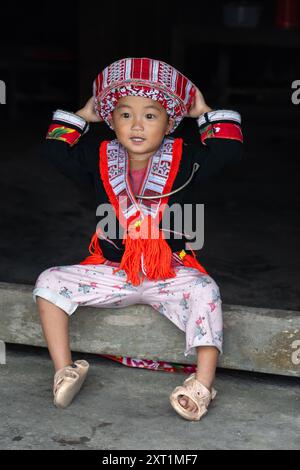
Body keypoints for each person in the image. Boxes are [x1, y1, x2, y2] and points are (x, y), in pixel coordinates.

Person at [33, 57, 243, 421]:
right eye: (125, 114)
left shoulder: (186, 158)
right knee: (48, 282)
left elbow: (228, 152)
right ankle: (65, 370)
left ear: (170, 123)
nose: (136, 125)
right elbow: (55, 151)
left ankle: (202, 385)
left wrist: (205, 111)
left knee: (206, 290)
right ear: (111, 121)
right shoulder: (99, 158)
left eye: (150, 115)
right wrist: (84, 112)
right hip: (114, 271)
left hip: (168, 275)